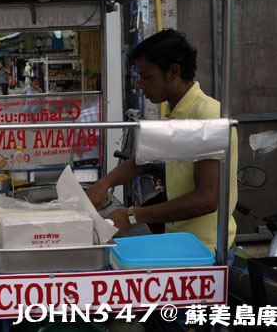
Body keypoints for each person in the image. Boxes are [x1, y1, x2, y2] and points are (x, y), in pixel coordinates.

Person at [86, 29, 238, 258]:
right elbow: (142, 161)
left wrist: (132, 215)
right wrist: (104, 183)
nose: (141, 85)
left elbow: (206, 199)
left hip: (206, 251)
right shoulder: (174, 112)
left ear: (173, 72)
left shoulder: (207, 116)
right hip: (181, 242)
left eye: (147, 77)